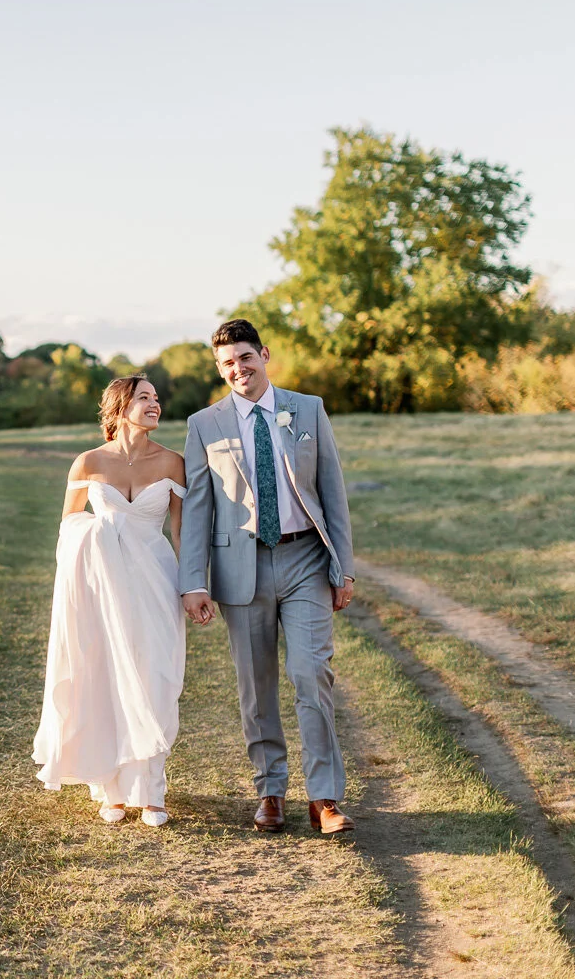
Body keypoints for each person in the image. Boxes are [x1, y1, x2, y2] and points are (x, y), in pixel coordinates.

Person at [178, 319, 357, 835]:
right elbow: (197, 508)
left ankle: (324, 798)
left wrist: (342, 567)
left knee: (311, 674)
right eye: (227, 363)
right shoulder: (203, 424)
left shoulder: (308, 409)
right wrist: (194, 580)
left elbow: (333, 493)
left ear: (265, 355)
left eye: (246, 358)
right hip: (242, 566)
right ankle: (270, 790)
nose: (238, 369)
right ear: (219, 368)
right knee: (255, 686)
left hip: (305, 562)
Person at [33, 374, 192, 826]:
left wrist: (192, 585)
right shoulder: (86, 463)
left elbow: (181, 532)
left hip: (155, 581)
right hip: (101, 585)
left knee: (155, 676)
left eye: (157, 398)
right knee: (103, 677)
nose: (155, 404)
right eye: (145, 397)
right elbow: (68, 528)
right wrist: (95, 541)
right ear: (120, 406)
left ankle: (152, 789)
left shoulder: (172, 463)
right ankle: (112, 789)